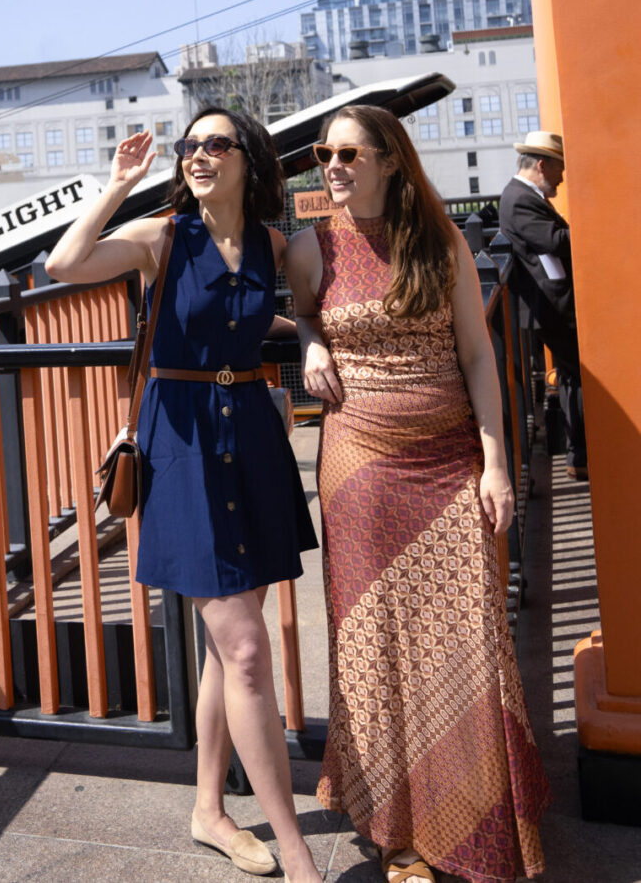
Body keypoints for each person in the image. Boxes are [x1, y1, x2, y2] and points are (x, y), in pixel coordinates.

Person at [47, 107, 320, 882]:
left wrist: (311, 336)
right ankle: (297, 850)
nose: (199, 156)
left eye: (215, 144)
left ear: (248, 160)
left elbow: (292, 310)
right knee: (243, 647)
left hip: (252, 439)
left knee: (227, 647)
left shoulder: (271, 245)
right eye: (190, 146)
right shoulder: (162, 237)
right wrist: (116, 187)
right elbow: (64, 266)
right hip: (183, 443)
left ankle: (208, 808)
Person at [285, 104, 549, 883]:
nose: (330, 166)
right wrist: (307, 345)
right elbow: (302, 314)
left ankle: (478, 814)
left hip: (445, 461)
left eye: (347, 154)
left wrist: (496, 466)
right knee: (375, 645)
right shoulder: (309, 247)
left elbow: (476, 355)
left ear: (391, 161)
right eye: (321, 153)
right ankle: (398, 836)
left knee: (468, 638)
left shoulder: (441, 244)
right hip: (358, 465)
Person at [498, 132, 586, 480]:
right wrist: (592, 229)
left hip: (554, 304)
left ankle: (579, 454)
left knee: (571, 375)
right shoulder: (519, 198)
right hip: (554, 307)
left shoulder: (523, 195)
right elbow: (555, 241)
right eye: (559, 169)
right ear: (541, 165)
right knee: (576, 375)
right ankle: (580, 453)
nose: (562, 178)